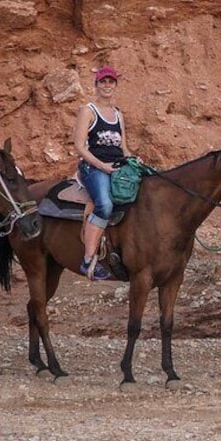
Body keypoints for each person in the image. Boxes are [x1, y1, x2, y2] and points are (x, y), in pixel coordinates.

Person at [72, 65, 136, 281]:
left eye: (111, 82)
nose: (107, 85)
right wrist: (102, 166)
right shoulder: (88, 111)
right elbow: (80, 146)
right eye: (103, 82)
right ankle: (88, 259)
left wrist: (133, 160)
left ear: (116, 85)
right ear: (96, 85)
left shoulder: (118, 114)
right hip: (93, 167)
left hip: (116, 167)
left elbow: (123, 148)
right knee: (105, 205)